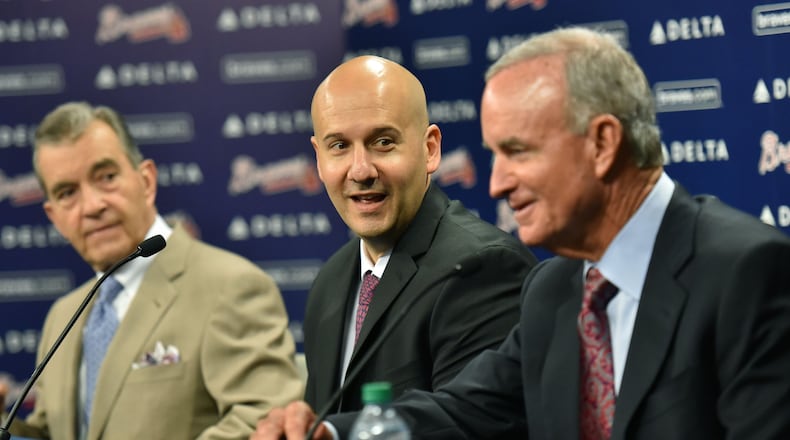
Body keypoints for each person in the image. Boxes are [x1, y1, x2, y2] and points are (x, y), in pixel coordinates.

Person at [252, 27, 790, 440]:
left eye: (518, 152)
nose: (498, 184)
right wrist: (334, 432)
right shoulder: (557, 291)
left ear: (602, 144)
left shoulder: (746, 271)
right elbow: (466, 410)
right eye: (493, 156)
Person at [2, 102, 305, 440]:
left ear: (146, 181)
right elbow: (53, 433)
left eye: (106, 177)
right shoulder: (62, 316)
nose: (92, 206)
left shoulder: (230, 286)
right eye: (67, 193)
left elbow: (265, 418)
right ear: (53, 215)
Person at [295, 55, 537, 417]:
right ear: (319, 158)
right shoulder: (331, 280)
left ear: (430, 149)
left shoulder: (480, 267)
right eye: (340, 146)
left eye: (383, 142)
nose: (360, 170)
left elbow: (473, 424)